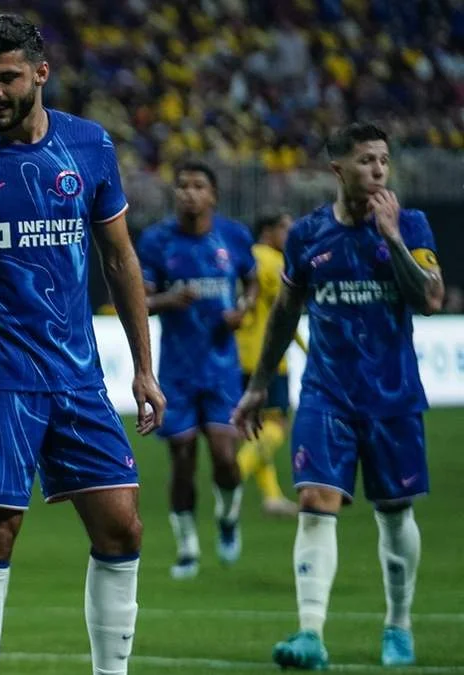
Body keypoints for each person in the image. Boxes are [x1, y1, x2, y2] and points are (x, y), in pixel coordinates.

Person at [0, 15, 165, 675]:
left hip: (77, 374)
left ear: (41, 74)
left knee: (122, 526)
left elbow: (120, 258)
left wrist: (144, 368)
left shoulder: (88, 145)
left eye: (7, 78)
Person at [233, 122, 444, 670]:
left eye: (384, 161)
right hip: (327, 394)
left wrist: (392, 238)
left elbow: (429, 299)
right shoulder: (307, 235)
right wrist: (259, 384)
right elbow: (285, 312)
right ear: (338, 169)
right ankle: (311, 634)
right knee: (314, 502)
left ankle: (398, 624)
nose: (378, 170)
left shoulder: (411, 225)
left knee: (394, 514)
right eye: (367, 160)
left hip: (393, 396)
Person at [137, 160, 258, 579]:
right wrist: (168, 300)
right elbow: (139, 299)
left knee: (225, 457)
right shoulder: (156, 241)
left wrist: (243, 309)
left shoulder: (234, 236)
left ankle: (228, 516)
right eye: (182, 185)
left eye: (198, 186)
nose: (189, 192)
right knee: (183, 461)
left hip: (222, 369)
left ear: (213, 196)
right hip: (177, 372)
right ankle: (187, 548)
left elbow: (251, 281)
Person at [235, 213, 304, 518]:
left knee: (256, 426)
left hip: (240, 354)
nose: (289, 235)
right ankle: (237, 471)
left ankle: (272, 497)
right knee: (277, 425)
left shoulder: (243, 258)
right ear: (268, 231)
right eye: (284, 229)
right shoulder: (273, 262)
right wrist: (307, 348)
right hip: (269, 358)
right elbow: (285, 314)